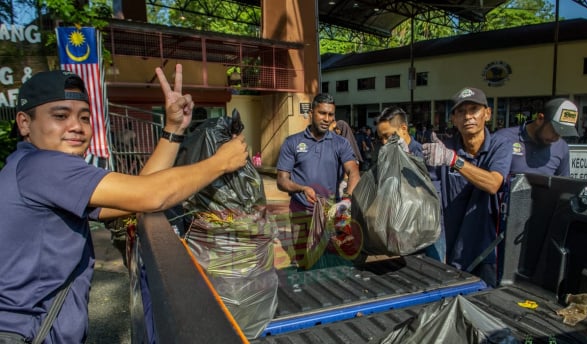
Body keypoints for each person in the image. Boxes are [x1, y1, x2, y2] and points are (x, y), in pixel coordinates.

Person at [0, 65, 248, 342]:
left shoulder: (30, 169)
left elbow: (137, 194)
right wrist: (221, 163)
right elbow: (153, 194)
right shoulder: (43, 166)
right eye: (60, 116)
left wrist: (173, 129)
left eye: (84, 117)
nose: (76, 127)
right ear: (24, 123)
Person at [422, 87, 512, 287]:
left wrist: (454, 160)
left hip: (486, 249)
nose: (468, 117)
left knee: (487, 303)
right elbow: (427, 193)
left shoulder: (499, 146)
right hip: (452, 248)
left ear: (487, 114)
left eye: (474, 110)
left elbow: (493, 183)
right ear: (453, 119)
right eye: (461, 112)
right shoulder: (444, 148)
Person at [276, 93, 360, 269]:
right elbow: (282, 181)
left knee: (338, 261)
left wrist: (347, 199)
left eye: (330, 115)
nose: (326, 119)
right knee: (304, 261)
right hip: (302, 213)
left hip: (333, 212)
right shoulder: (292, 142)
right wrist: (301, 188)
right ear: (311, 112)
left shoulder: (340, 143)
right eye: (322, 113)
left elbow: (353, 171)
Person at [375, 106, 445, 262]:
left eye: (388, 136)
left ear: (403, 129)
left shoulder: (423, 154)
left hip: (428, 229)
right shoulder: (388, 156)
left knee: (436, 269)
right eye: (381, 138)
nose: (384, 142)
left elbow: (432, 194)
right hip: (403, 228)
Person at [494, 98, 578, 177]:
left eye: (561, 133)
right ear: (540, 119)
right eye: (554, 131)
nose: (556, 138)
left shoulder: (561, 148)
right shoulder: (503, 138)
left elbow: (563, 187)